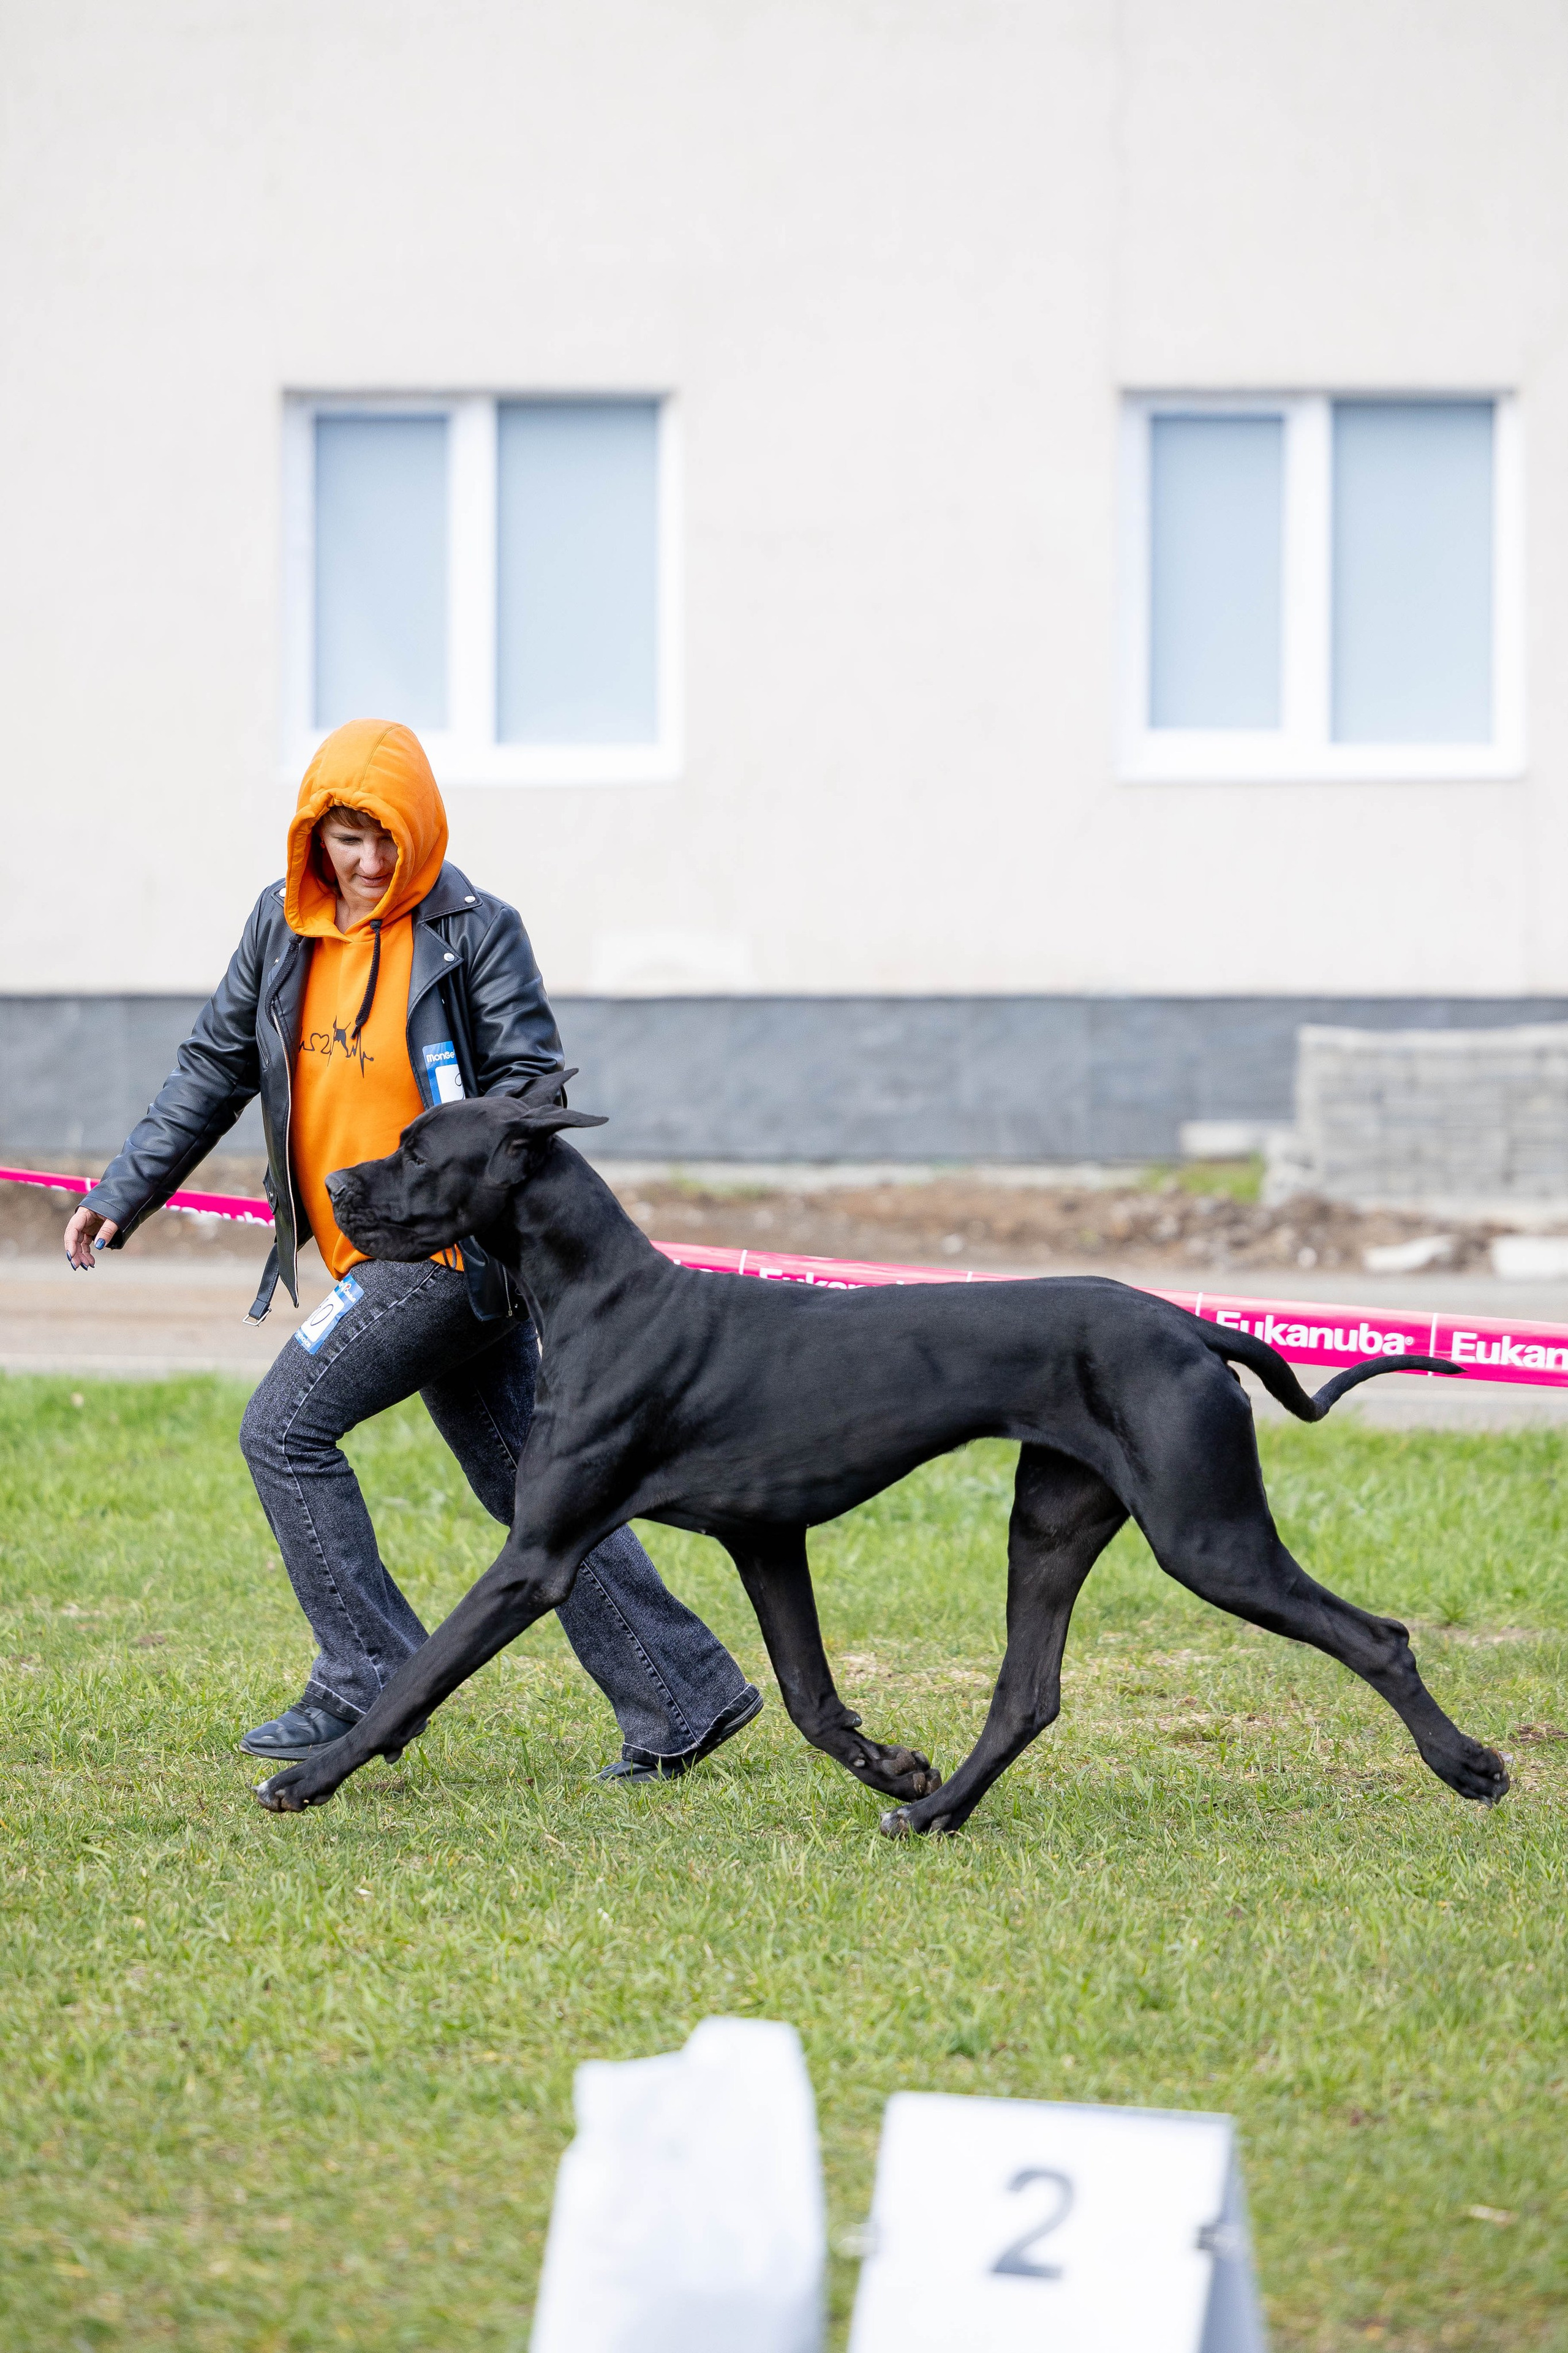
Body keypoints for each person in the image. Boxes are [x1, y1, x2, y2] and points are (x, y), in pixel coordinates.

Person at [66, 718, 761, 1781]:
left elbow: (532, 1091)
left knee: (283, 1429)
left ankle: (366, 1678)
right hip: (367, 1245)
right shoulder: (282, 926)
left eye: (388, 838)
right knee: (540, 1490)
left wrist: (461, 1184)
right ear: (317, 838)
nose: (371, 862)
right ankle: (685, 1696)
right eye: (349, 839)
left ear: (423, 831)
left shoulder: (474, 928)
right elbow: (215, 1062)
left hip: (449, 1259)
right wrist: (125, 1191)